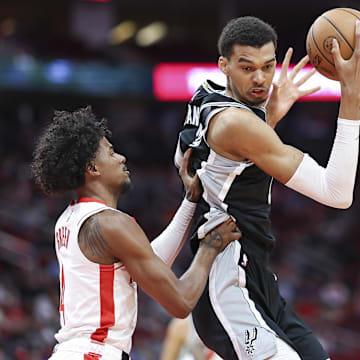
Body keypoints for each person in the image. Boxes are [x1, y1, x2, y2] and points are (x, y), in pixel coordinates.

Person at [174, 16, 360, 360]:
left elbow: (224, 163)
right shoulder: (236, 123)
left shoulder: (206, 96)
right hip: (226, 280)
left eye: (268, 66)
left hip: (257, 278)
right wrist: (352, 92)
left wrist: (269, 117)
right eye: (247, 68)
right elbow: (337, 192)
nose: (260, 79)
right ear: (224, 65)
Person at [31, 106, 241, 360]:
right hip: (95, 353)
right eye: (110, 152)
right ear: (93, 169)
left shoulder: (69, 219)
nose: (121, 158)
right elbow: (181, 302)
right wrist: (211, 247)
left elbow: (150, 262)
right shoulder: (110, 223)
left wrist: (190, 201)